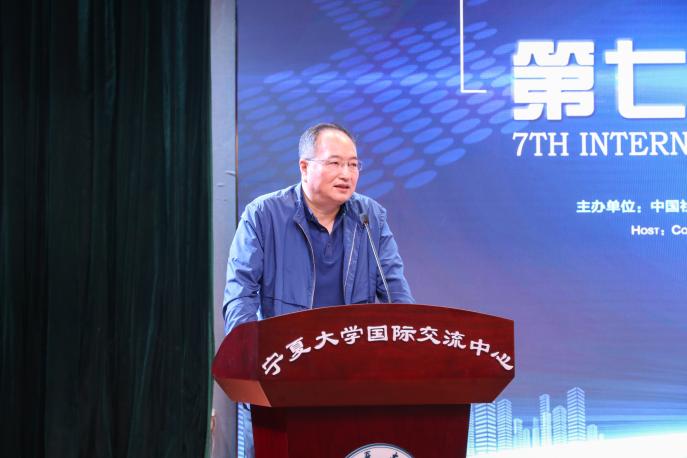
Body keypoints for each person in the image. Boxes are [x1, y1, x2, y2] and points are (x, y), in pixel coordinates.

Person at [222, 122, 414, 457]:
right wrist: (251, 358)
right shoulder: (264, 215)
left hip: (353, 377)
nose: (347, 174)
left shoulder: (370, 217)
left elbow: (395, 291)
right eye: (335, 163)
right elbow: (240, 294)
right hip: (284, 374)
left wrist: (412, 347)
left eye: (353, 164)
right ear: (304, 166)